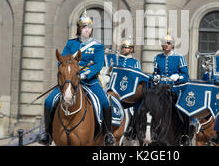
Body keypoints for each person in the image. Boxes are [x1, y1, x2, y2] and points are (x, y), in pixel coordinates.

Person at [39, 10, 115, 146]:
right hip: (69, 81)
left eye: (88, 27)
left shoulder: (98, 46)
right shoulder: (71, 44)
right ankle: (48, 133)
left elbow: (98, 65)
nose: (86, 30)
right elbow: (61, 61)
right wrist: (67, 72)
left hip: (90, 82)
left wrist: (86, 74)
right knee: (49, 101)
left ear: (92, 30)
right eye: (83, 27)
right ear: (79, 28)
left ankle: (107, 134)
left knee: (104, 103)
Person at [152, 31, 191, 145]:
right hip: (160, 89)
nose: (166, 45)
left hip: (175, 89)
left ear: (172, 45)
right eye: (165, 43)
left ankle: (185, 134)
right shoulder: (158, 58)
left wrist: (178, 76)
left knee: (182, 109)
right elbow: (154, 73)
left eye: (169, 43)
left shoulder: (179, 57)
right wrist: (156, 77)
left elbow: (186, 76)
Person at [106, 37, 142, 139]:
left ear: (131, 49)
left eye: (126, 47)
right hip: (115, 89)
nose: (124, 49)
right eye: (123, 47)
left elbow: (136, 77)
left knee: (135, 109)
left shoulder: (135, 62)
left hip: (128, 91)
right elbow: (110, 72)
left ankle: (133, 129)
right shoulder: (117, 59)